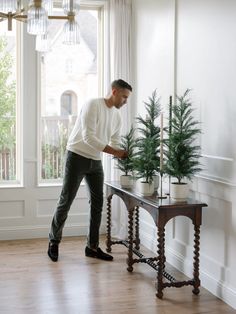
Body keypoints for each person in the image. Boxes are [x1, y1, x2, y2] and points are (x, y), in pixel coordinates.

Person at [47, 79, 132, 262]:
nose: (125, 101)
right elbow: (88, 138)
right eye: (124, 97)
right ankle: (54, 241)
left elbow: (115, 142)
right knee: (66, 200)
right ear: (114, 91)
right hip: (77, 155)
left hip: (95, 160)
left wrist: (124, 155)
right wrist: (115, 151)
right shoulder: (93, 104)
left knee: (97, 203)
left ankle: (92, 247)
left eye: (127, 98)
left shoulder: (117, 116)